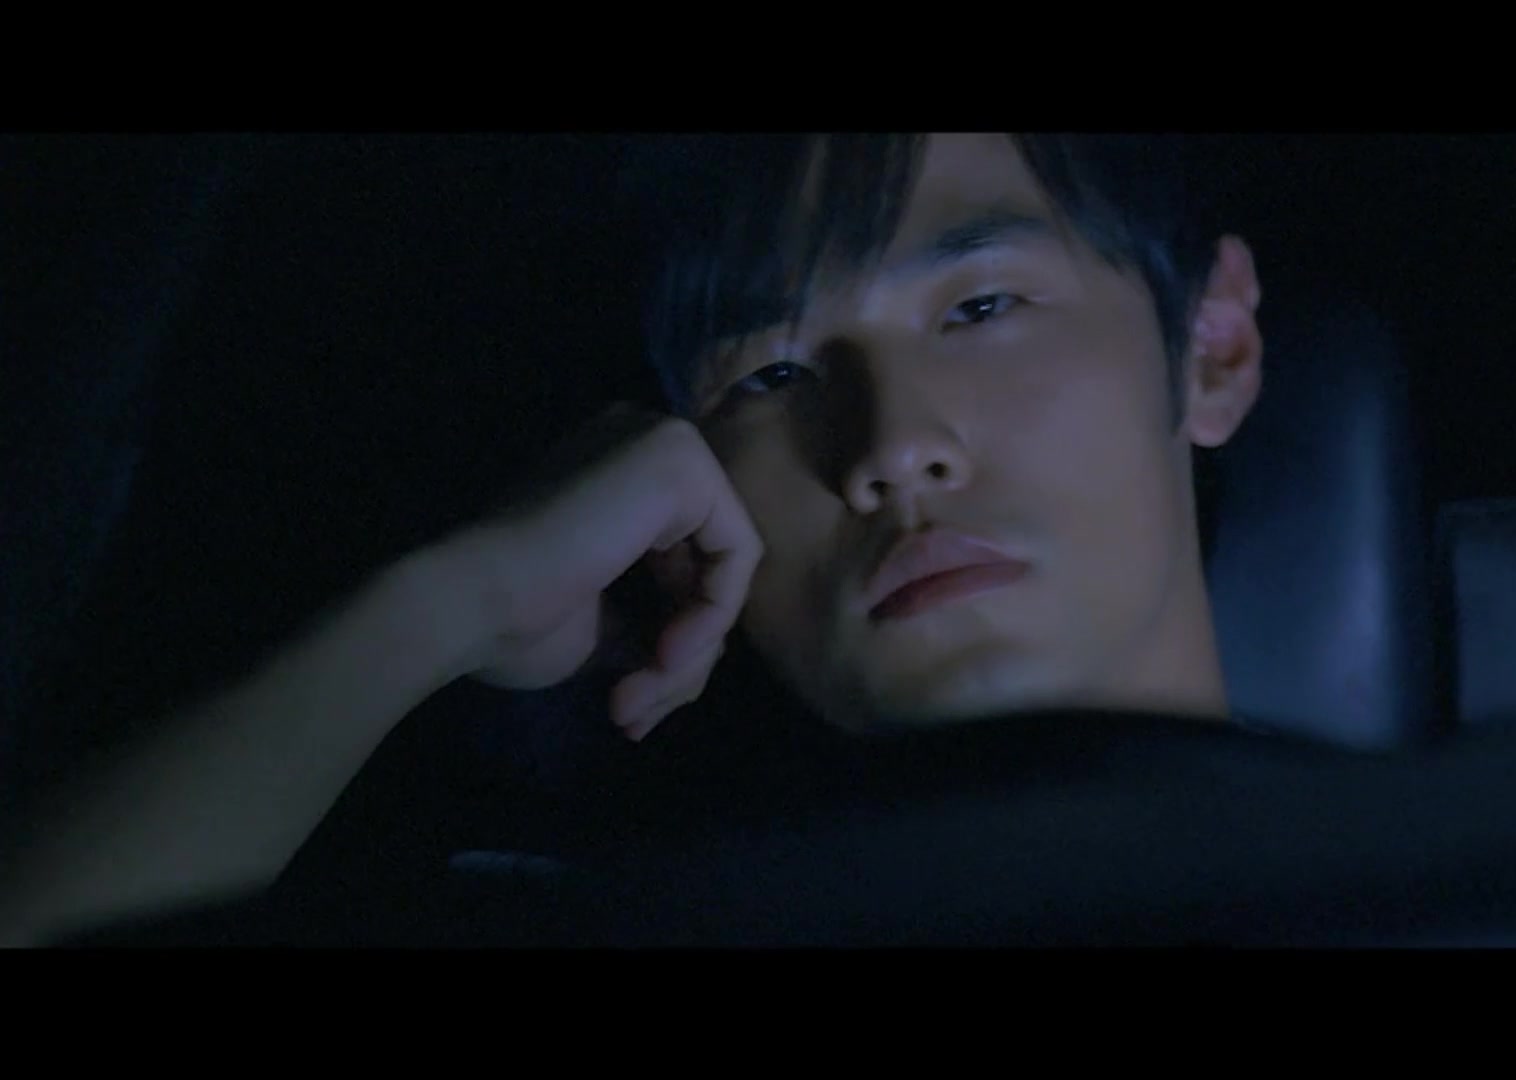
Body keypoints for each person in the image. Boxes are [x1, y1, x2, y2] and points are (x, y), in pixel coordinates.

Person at [0, 133, 1267, 947]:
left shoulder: (1393, 873)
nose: (891, 446)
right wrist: (448, 604)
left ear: (1212, 345)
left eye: (982, 306)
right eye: (771, 376)